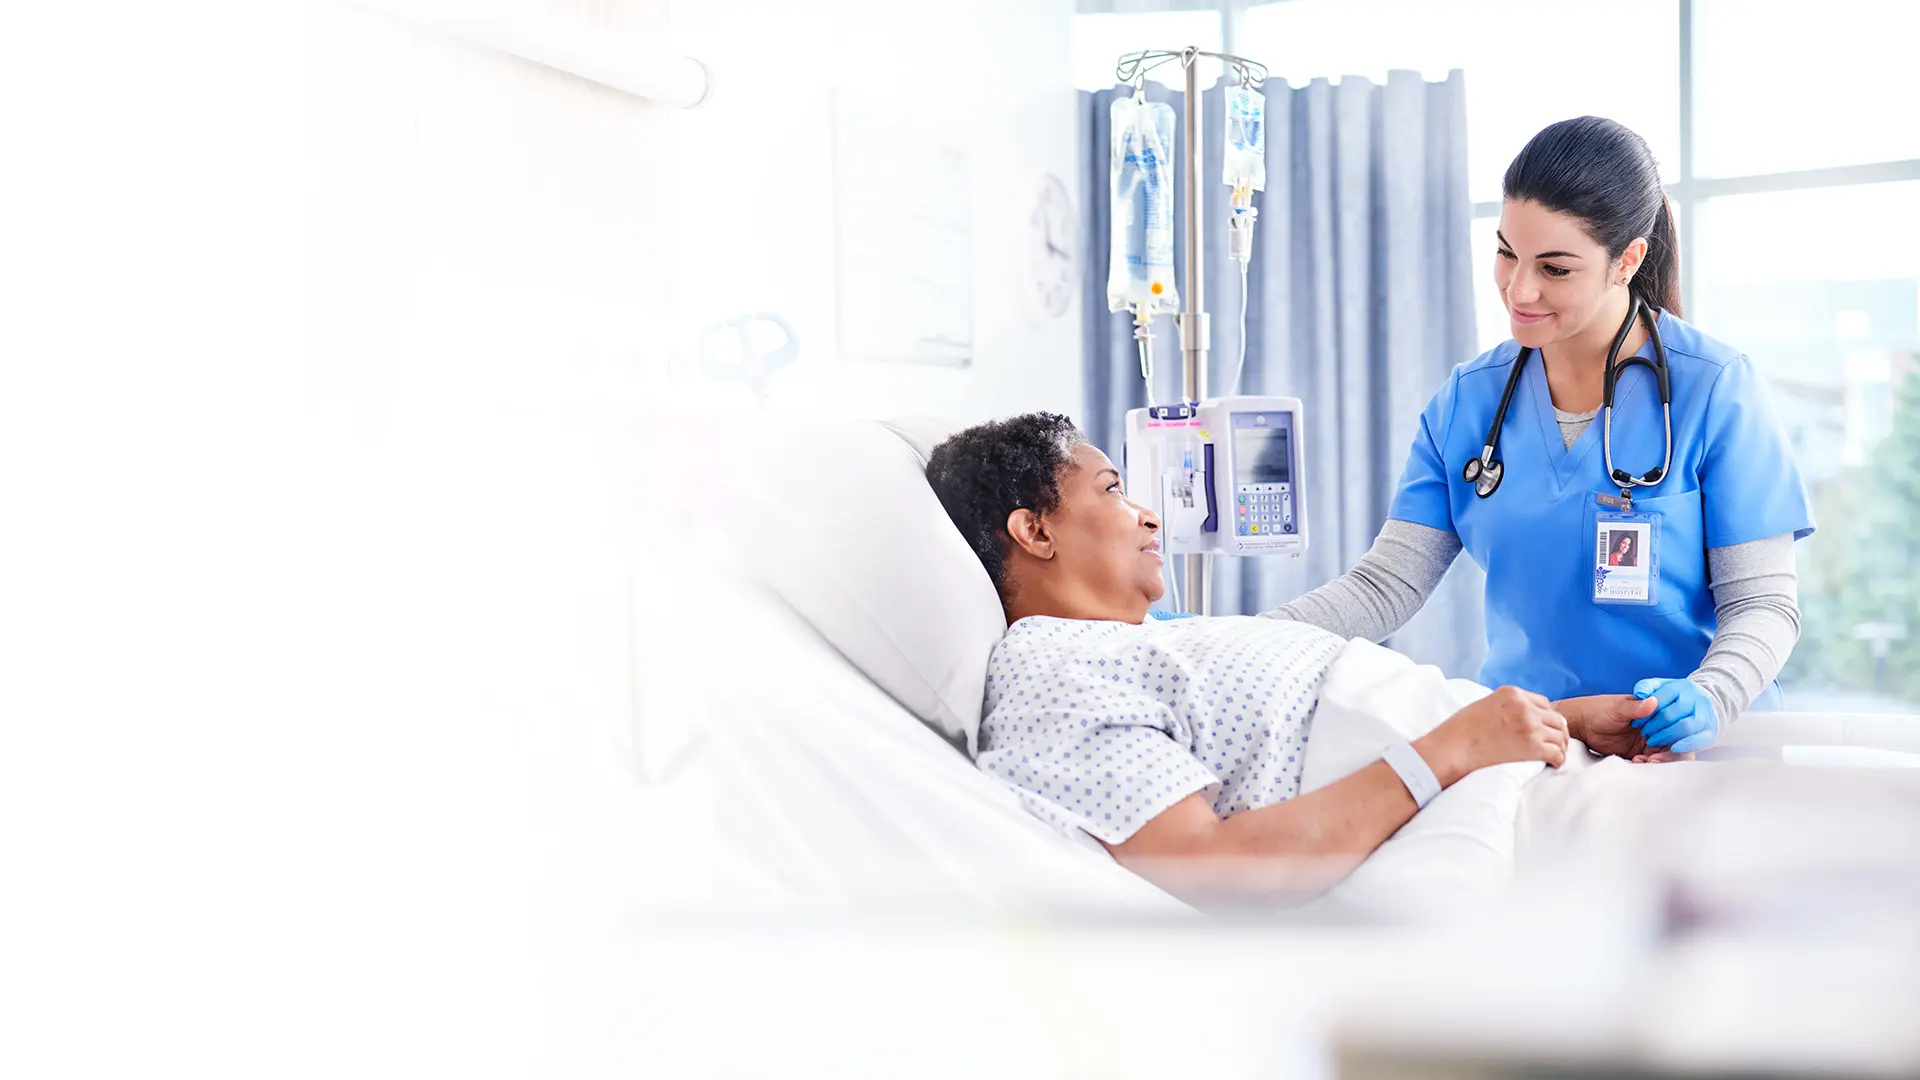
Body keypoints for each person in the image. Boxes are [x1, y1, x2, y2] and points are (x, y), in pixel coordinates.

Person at [925, 413, 1662, 904]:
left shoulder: (1141, 643)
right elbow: (1206, 868)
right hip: (1508, 815)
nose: (1149, 513)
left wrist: (1550, 719)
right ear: (1034, 531)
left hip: (1523, 770)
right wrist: (1460, 744)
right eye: (1113, 490)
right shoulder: (1050, 675)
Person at [1275, 116, 1814, 757]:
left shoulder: (1714, 389)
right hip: (1536, 745)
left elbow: (1763, 603)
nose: (1519, 289)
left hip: (1696, 753)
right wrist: (1234, 636)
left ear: (1628, 261)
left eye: (1555, 268)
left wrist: (1712, 695)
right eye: (1507, 253)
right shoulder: (1468, 401)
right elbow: (1385, 586)